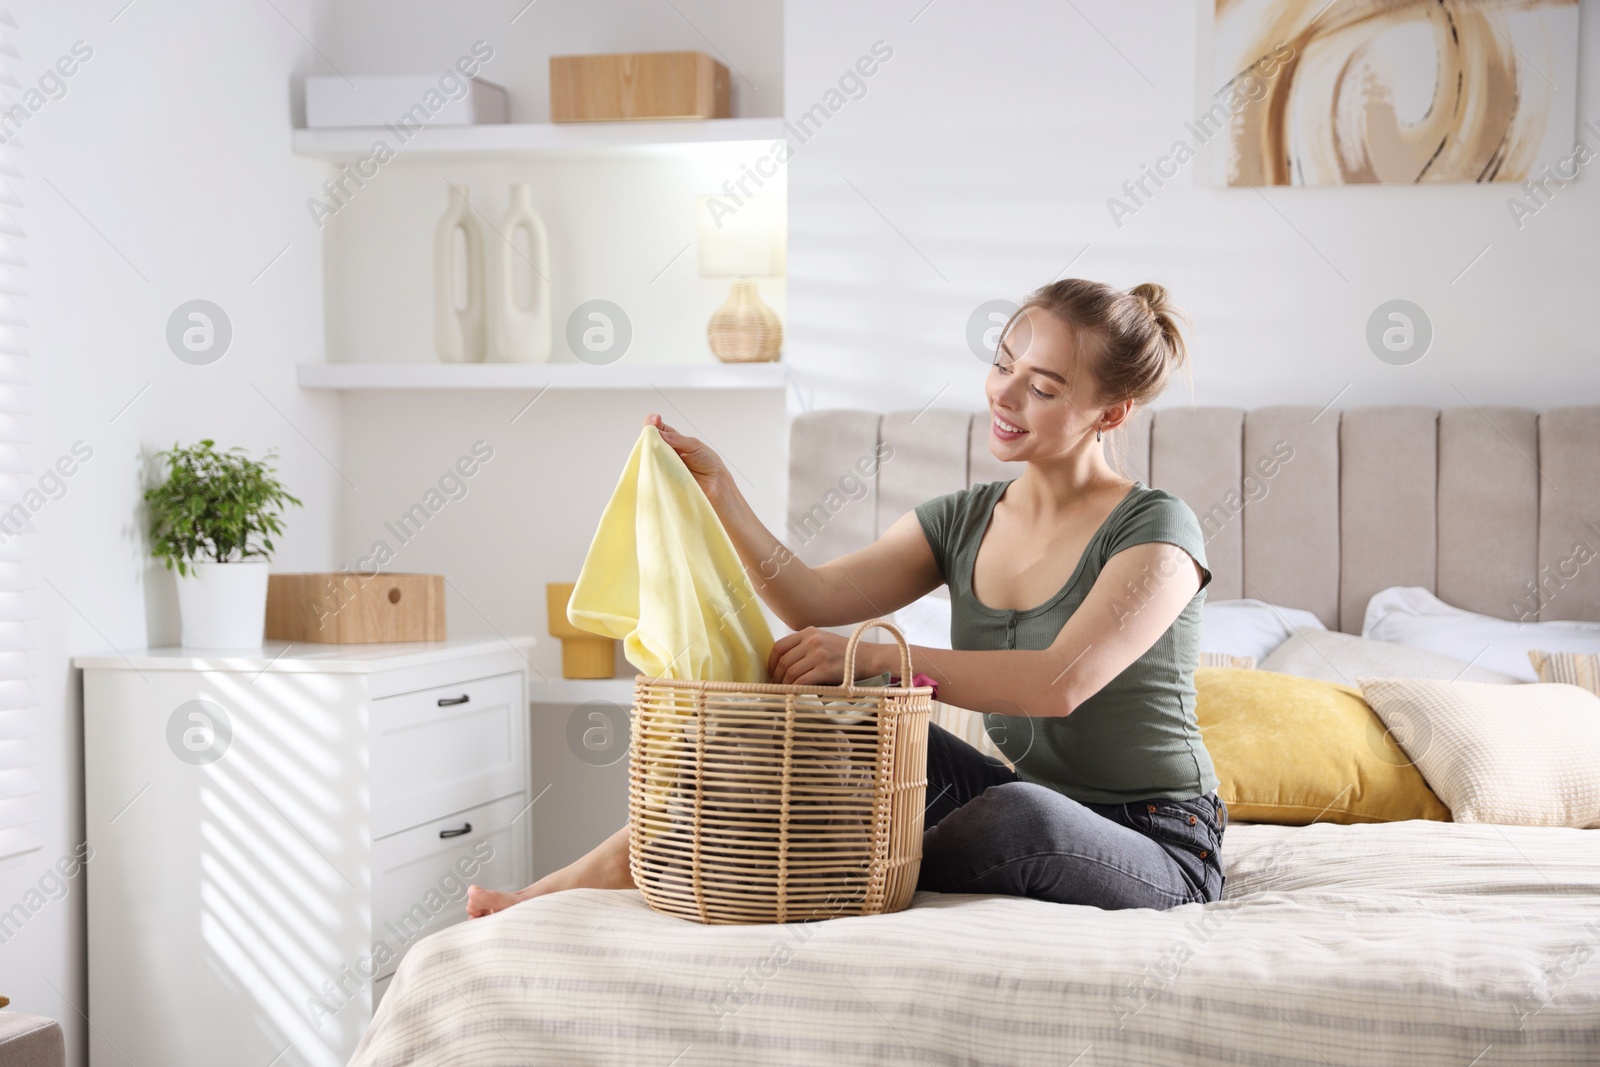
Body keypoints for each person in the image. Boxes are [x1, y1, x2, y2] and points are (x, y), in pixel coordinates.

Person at [467, 277, 1226, 918]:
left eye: (1045, 387)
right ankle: (570, 882)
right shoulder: (965, 518)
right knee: (824, 720)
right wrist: (723, 494)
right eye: (1004, 365)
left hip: (1157, 838)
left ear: (1112, 412)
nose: (1007, 394)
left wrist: (881, 661)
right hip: (1023, 796)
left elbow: (1060, 683)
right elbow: (815, 599)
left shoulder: (1158, 529)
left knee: (1016, 815)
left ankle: (835, 851)